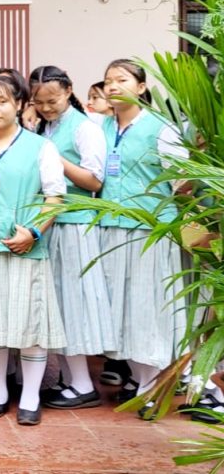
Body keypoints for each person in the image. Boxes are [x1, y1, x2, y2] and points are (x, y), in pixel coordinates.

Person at [0, 75, 67, 426]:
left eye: (2, 102)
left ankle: (29, 396)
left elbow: (56, 198)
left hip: (25, 249)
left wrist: (34, 231)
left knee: (30, 328)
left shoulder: (40, 147)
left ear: (20, 104)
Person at [98, 59, 187, 419]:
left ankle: (152, 388)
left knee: (148, 309)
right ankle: (140, 380)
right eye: (108, 81)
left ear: (141, 86)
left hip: (150, 231)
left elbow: (183, 180)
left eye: (121, 79)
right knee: (121, 311)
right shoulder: (100, 127)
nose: (113, 86)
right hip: (110, 228)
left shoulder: (161, 128)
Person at [29, 66, 115, 411]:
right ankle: (69, 378)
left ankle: (82, 383)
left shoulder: (85, 128)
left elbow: (94, 182)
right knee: (57, 305)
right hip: (51, 223)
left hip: (74, 224)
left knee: (74, 305)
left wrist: (52, 157)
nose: (47, 107)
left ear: (68, 90)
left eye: (52, 100)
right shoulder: (47, 126)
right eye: (39, 102)